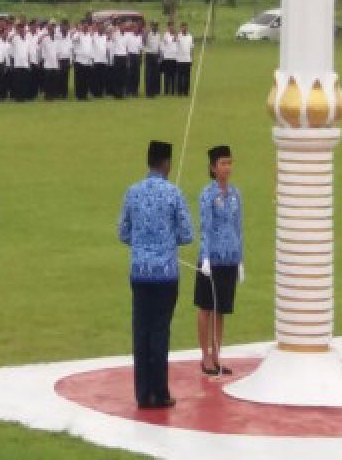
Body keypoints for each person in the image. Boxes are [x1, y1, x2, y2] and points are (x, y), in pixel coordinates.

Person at [118, 140, 194, 409]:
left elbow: (123, 232)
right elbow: (187, 235)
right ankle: (160, 392)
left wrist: (142, 243)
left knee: (141, 331)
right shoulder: (173, 194)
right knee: (160, 332)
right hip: (165, 274)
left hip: (139, 272)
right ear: (167, 164)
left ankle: (142, 393)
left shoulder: (132, 192)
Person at [196, 145, 244, 376]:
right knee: (206, 307)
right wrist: (204, 257)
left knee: (221, 309)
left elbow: (238, 227)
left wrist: (240, 259)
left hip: (230, 258)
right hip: (211, 259)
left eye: (229, 162)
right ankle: (204, 355)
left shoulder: (235, 194)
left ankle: (217, 353)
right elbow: (204, 227)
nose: (227, 167)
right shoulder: (207, 195)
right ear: (213, 168)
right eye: (223, 163)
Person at [175, 23, 194, 97]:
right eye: (183, 27)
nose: (184, 29)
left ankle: (186, 91)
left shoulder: (190, 36)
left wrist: (191, 58)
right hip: (180, 60)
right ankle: (179, 92)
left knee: (187, 77)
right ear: (180, 28)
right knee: (179, 77)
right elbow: (175, 39)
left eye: (185, 27)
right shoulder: (178, 36)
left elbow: (191, 48)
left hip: (187, 60)